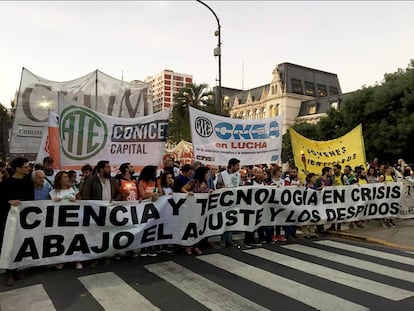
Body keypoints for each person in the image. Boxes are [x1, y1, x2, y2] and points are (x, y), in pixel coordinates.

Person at [0, 157, 34, 286]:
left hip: (24, 219)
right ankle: (10, 271)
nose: (28, 169)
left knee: (20, 244)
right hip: (9, 220)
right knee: (9, 244)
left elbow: (31, 200)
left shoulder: (28, 182)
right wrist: (9, 202)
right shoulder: (5, 184)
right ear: (18, 168)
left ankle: (17, 268)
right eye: (26, 167)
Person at [81, 160, 121, 267]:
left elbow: (119, 194)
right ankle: (94, 258)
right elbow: (85, 196)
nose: (109, 169)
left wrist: (114, 199)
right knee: (94, 235)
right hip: (95, 213)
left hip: (108, 212)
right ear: (101, 169)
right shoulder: (91, 180)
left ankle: (104, 255)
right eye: (107, 167)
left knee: (105, 235)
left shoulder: (113, 181)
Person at [50, 171, 82, 270]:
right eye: (64, 177)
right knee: (61, 240)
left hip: (73, 218)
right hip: (60, 220)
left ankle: (77, 260)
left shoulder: (73, 190)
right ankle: (61, 260)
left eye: (67, 177)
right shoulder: (53, 192)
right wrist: (54, 202)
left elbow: (81, 202)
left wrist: (76, 200)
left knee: (74, 239)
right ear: (59, 180)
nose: (67, 179)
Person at [181, 166, 212, 255]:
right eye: (206, 173)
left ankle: (196, 246)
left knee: (199, 228)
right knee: (191, 228)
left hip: (202, 209)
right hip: (193, 208)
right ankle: (188, 246)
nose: (208, 175)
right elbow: (183, 189)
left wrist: (210, 191)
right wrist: (188, 193)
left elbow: (205, 191)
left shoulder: (205, 183)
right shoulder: (193, 182)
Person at [216, 158, 242, 247]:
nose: (239, 167)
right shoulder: (222, 175)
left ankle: (229, 239)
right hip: (225, 201)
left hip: (235, 200)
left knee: (232, 220)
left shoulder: (238, 175)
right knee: (225, 220)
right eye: (237, 165)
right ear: (232, 166)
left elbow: (240, 185)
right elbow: (218, 186)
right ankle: (223, 239)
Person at [138, 165, 162, 257]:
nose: (156, 173)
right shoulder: (142, 182)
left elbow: (161, 193)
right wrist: (153, 194)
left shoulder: (156, 181)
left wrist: (155, 194)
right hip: (145, 208)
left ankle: (151, 247)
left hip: (156, 207)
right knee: (145, 228)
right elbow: (143, 195)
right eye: (154, 171)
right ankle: (143, 248)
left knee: (154, 228)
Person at [302, 173, 318, 239]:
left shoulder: (314, 185)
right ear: (309, 178)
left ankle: (312, 232)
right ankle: (305, 232)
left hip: (313, 204)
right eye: (313, 177)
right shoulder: (306, 186)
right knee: (306, 218)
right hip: (306, 204)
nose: (315, 179)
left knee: (313, 218)